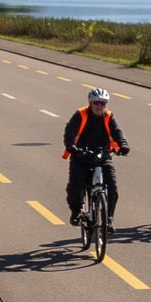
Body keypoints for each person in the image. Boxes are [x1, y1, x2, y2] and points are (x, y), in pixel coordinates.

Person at [62, 88, 129, 221]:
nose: (100, 106)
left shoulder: (109, 116)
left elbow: (117, 132)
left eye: (103, 103)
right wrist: (71, 147)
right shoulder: (80, 114)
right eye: (96, 103)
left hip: (102, 156)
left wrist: (124, 145)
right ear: (90, 103)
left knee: (112, 188)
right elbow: (70, 131)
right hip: (81, 156)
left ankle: (108, 218)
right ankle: (76, 212)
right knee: (76, 186)